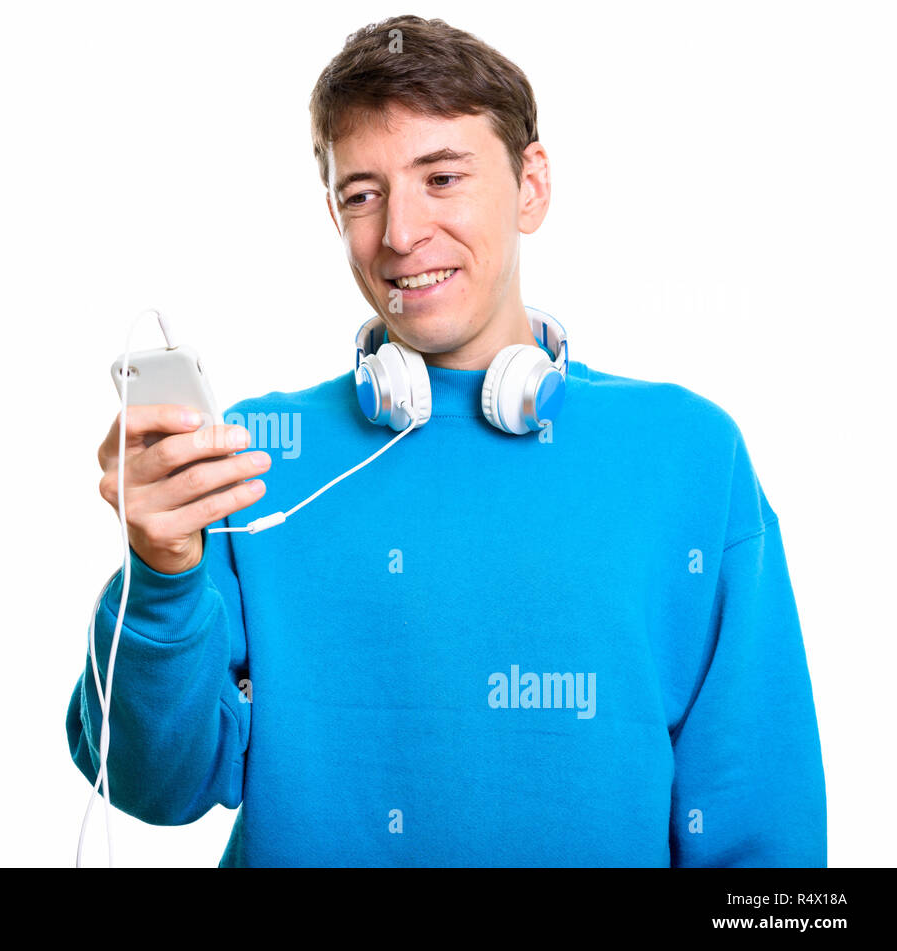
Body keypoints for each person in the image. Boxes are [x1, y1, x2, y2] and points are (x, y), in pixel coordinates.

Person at [66, 14, 827, 866]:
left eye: (442, 176)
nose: (400, 233)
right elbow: (151, 783)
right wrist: (160, 572)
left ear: (531, 184)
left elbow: (767, 840)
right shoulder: (251, 457)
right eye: (362, 193)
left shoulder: (689, 454)